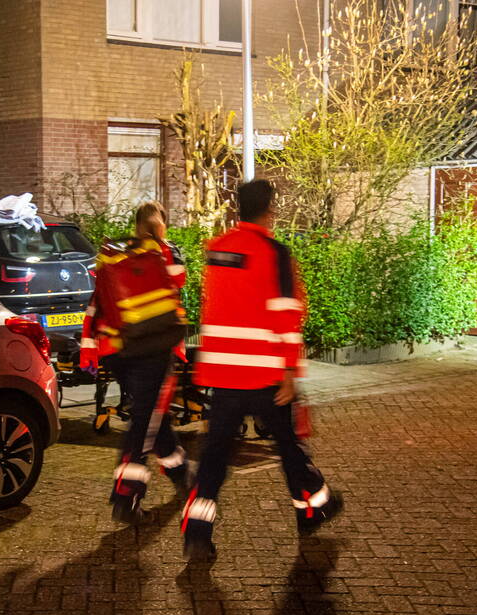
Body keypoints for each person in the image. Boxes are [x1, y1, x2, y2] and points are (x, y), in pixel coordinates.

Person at [180, 179, 342, 562]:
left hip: (222, 375)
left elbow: (214, 308)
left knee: (215, 460)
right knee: (287, 448)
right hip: (265, 375)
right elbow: (287, 314)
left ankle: (196, 533)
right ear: (269, 210)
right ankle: (314, 508)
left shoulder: (217, 250)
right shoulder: (275, 253)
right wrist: (289, 372)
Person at [80, 201, 191, 523]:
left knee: (152, 413)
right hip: (151, 348)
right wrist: (161, 242)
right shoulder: (165, 252)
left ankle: (180, 471)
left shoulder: (114, 253)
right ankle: (125, 496)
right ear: (160, 225)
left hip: (115, 350)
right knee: (144, 421)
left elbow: (96, 300)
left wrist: (90, 347)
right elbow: (179, 282)